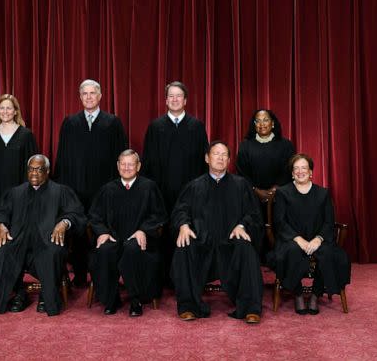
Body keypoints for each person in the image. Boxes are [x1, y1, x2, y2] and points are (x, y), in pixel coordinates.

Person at [170, 141, 263, 324]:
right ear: (207, 158)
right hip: (202, 242)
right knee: (184, 248)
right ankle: (188, 306)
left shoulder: (241, 185)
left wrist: (242, 225)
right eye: (215, 154)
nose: (220, 158)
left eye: (224, 155)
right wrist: (184, 226)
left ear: (229, 160)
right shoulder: (194, 186)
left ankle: (250, 308)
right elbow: (181, 210)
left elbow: (253, 214)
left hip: (230, 242)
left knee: (246, 249)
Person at [0, 155, 86, 316]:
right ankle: (18, 293)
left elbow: (76, 213)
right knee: (1, 251)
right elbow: (0, 212)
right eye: (31, 169)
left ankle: (46, 296)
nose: (34, 173)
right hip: (18, 240)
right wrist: (0, 225)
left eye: (39, 169)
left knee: (52, 252)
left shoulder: (60, 191)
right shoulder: (15, 193)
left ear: (47, 171)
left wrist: (64, 222)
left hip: (47, 241)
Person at [54, 79, 128, 286]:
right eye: (84, 94)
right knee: (78, 233)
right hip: (75, 188)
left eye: (92, 93)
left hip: (103, 188)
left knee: (102, 230)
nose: (88, 97)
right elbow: (62, 157)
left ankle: (102, 276)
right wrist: (63, 189)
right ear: (79, 97)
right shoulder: (70, 123)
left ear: (100, 96)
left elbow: (121, 158)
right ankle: (79, 273)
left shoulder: (112, 123)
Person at [141, 81, 208, 286]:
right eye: (171, 96)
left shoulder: (196, 127)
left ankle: (188, 278)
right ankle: (162, 279)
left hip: (189, 193)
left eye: (179, 96)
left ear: (185, 100)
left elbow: (203, 162)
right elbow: (148, 162)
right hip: (162, 191)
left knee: (188, 231)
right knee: (162, 234)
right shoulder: (155, 127)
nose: (175, 99)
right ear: (166, 100)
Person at [88, 150, 167, 316]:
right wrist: (102, 232)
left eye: (131, 164)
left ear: (138, 166)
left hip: (139, 238)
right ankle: (111, 299)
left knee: (133, 249)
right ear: (117, 166)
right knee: (105, 250)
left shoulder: (148, 187)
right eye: (123, 164)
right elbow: (94, 216)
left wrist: (143, 230)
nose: (126, 167)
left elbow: (159, 215)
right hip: (114, 236)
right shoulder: (108, 189)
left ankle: (135, 299)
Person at [270, 153, 351, 315]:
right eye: (296, 168)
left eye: (304, 168)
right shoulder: (283, 193)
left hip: (318, 238)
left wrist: (318, 239)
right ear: (292, 173)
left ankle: (315, 293)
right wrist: (298, 239)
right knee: (291, 251)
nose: (300, 171)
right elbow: (279, 222)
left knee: (329, 254)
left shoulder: (323, 193)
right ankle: (298, 293)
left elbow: (329, 222)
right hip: (291, 239)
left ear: (311, 172)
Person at [236, 109, 295, 221]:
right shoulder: (245, 146)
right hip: (252, 198)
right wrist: (256, 191)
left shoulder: (286, 145)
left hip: (280, 197)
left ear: (272, 123)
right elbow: (241, 172)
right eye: (258, 121)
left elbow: (289, 170)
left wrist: (276, 189)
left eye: (265, 120)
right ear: (254, 125)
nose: (261, 124)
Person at [0, 94, 39, 207]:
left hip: (21, 194)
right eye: (1, 108)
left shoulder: (26, 135)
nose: (5, 111)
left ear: (16, 111)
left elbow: (32, 166)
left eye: (9, 108)